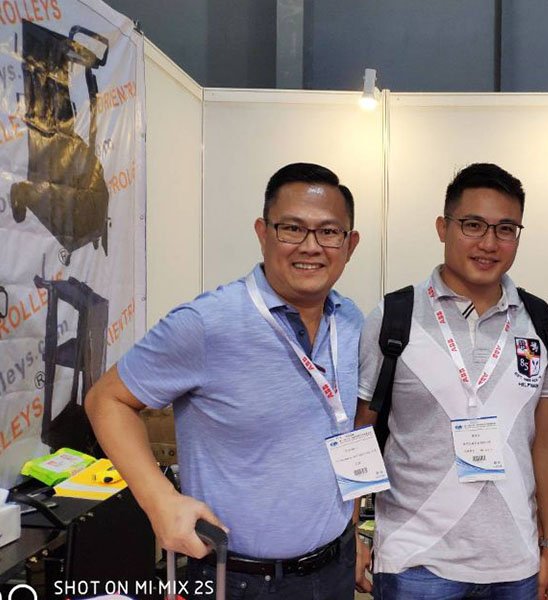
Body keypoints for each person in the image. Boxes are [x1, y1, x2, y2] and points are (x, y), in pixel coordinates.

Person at [86, 162, 363, 600]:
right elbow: (107, 399)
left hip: (334, 565)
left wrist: (353, 530)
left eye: (329, 232)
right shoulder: (206, 324)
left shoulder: (350, 321)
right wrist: (159, 500)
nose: (311, 246)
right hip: (237, 579)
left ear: (350, 244)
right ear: (262, 232)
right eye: (292, 228)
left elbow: (345, 432)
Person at [354, 163, 548, 599]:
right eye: (473, 225)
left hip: (516, 564)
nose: (489, 243)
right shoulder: (394, 316)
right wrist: (353, 532)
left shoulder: (539, 321)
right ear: (443, 227)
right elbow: (359, 435)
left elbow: (547, 442)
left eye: (505, 229)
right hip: (416, 563)